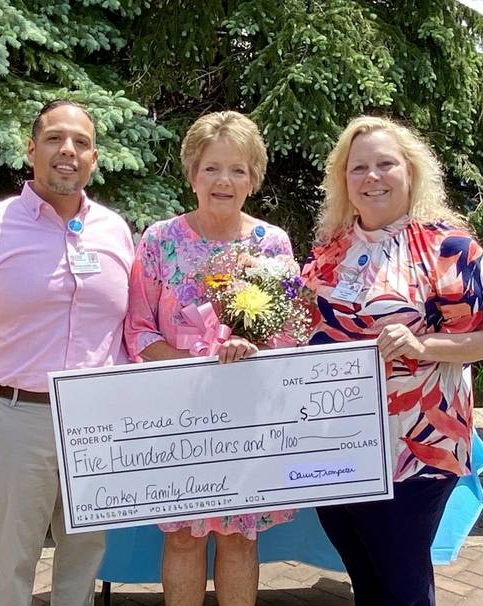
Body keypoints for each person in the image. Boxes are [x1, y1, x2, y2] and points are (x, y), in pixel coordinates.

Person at [301, 115, 483, 606]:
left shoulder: (450, 250)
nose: (371, 177)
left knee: (402, 584)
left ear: (411, 171)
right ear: (343, 179)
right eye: (358, 168)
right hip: (335, 449)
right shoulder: (330, 252)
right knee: (367, 579)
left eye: (385, 164)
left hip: (415, 447)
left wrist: (425, 346)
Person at [0, 99, 134, 606]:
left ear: (94, 158)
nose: (68, 150)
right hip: (14, 419)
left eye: (81, 142)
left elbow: (126, 326)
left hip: (96, 423)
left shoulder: (115, 231)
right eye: (54, 138)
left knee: (84, 559)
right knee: (10, 565)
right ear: (31, 150)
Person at [125, 110, 295, 606]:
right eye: (212, 168)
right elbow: (138, 329)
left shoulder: (272, 243)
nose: (224, 180)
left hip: (246, 417)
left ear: (253, 178)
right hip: (178, 414)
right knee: (182, 534)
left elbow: (288, 334)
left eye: (238, 169)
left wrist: (253, 349)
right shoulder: (159, 241)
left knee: (240, 534)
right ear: (192, 173)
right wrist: (190, 362)